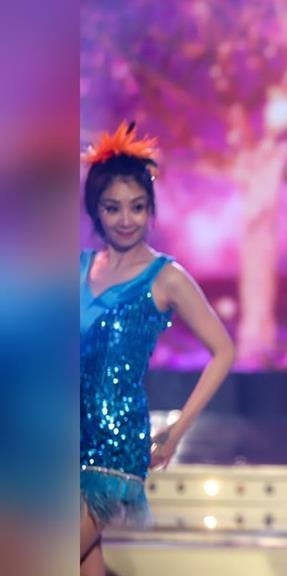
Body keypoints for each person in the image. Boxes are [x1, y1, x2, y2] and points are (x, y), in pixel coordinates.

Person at [79, 122, 235, 575]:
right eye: (113, 208)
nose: (126, 219)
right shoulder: (77, 268)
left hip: (115, 446)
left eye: (137, 207)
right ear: (96, 210)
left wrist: (176, 430)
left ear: (150, 210)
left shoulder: (166, 277)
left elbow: (223, 351)